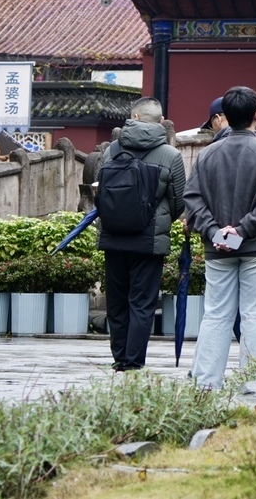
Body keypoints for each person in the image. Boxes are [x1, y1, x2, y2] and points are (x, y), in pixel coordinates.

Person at [185, 86, 256, 387]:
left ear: (225, 116)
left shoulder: (207, 155)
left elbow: (192, 199)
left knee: (216, 315)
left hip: (218, 245)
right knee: (255, 316)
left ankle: (205, 385)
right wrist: (241, 231)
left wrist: (216, 231)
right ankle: (253, 385)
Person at [95, 97, 186, 371]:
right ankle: (134, 362)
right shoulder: (171, 155)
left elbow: (100, 192)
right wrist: (158, 218)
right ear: (161, 121)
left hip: (113, 237)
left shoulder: (111, 150)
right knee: (142, 304)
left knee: (117, 302)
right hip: (149, 241)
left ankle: (119, 358)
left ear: (133, 116)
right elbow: (179, 202)